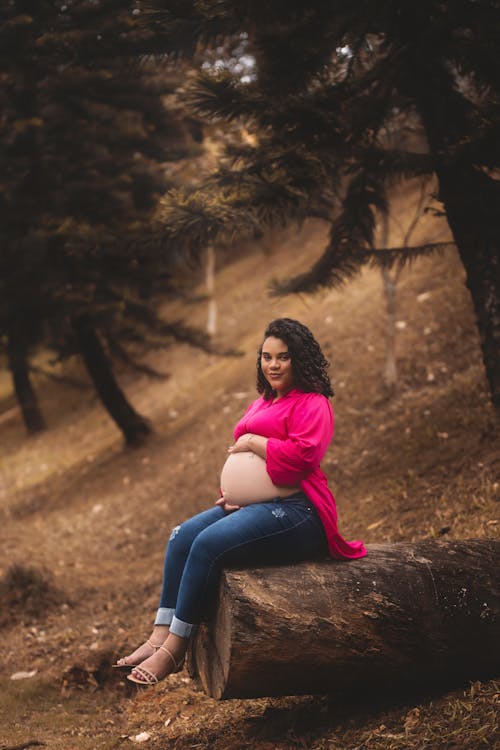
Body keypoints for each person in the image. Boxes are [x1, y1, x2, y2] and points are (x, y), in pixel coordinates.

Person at [115, 318, 366, 685]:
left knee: (207, 544)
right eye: (267, 357)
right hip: (252, 506)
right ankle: (158, 634)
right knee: (182, 535)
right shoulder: (265, 400)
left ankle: (175, 648)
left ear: (300, 360)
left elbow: (302, 458)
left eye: (283, 357)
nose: (274, 365)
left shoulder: (314, 403)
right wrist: (236, 491)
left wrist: (253, 444)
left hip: (299, 513)